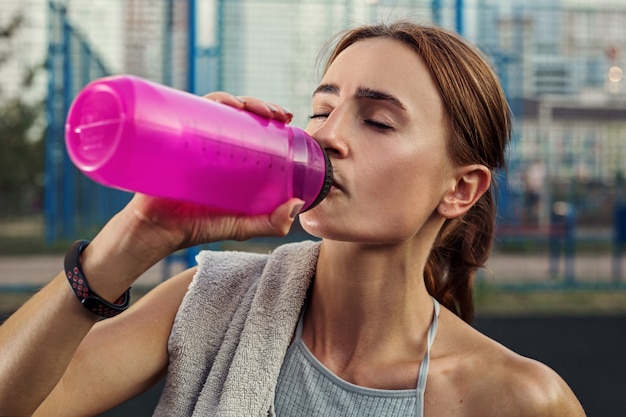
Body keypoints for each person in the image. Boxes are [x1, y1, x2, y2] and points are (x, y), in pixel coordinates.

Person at [0, 20, 585, 416]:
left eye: (377, 122)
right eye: (321, 109)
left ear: (460, 188)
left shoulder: (518, 398)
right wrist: (142, 231)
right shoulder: (212, 303)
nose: (326, 135)